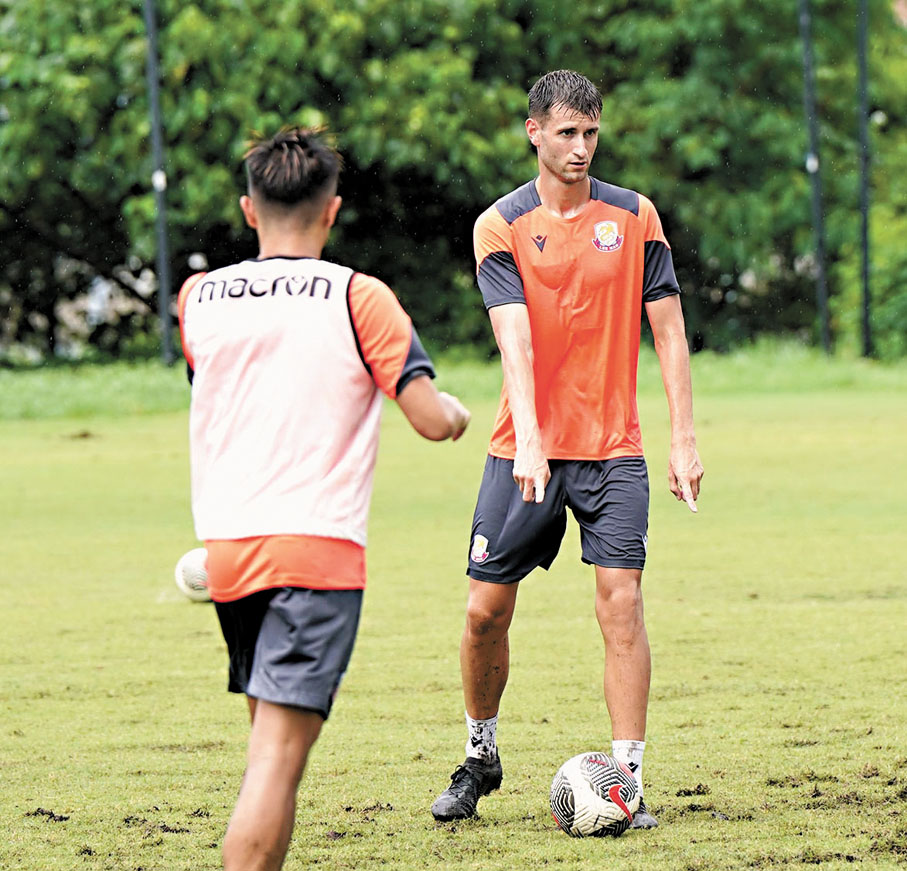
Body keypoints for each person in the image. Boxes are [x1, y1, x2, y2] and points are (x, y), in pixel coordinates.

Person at [177, 126, 470, 871]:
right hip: (315, 554)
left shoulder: (199, 297)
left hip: (228, 553)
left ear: (249, 210)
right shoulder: (357, 296)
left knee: (268, 750)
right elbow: (429, 419)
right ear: (332, 211)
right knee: (276, 761)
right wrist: (457, 414)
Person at [430, 70, 703, 828]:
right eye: (566, 133)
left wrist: (683, 439)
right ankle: (479, 755)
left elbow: (669, 332)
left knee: (622, 602)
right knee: (484, 612)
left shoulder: (635, 216)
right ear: (534, 132)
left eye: (591, 133)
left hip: (614, 451)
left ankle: (627, 782)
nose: (580, 148)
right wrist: (530, 438)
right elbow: (512, 339)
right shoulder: (500, 224)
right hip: (525, 450)